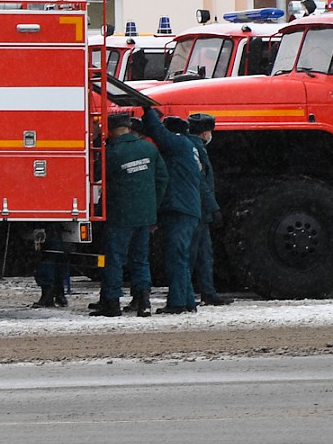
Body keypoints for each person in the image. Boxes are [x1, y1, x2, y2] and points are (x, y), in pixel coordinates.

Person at [91, 111, 166, 317]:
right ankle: (143, 302)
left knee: (114, 259)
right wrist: (153, 207)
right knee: (140, 259)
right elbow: (162, 179)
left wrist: (98, 140)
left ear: (111, 129)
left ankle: (112, 303)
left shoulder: (111, 152)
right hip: (145, 215)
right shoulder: (149, 148)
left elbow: (95, 173)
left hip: (119, 215)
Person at [142, 108, 205, 316]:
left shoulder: (177, 144)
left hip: (180, 209)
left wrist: (148, 111)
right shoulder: (189, 146)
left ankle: (177, 302)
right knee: (181, 257)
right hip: (186, 208)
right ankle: (187, 301)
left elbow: (158, 134)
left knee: (176, 256)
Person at [187, 113, 231, 306]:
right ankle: (188, 293)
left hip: (200, 211)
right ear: (205, 132)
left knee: (204, 253)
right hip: (199, 210)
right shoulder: (196, 149)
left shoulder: (194, 147)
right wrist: (214, 208)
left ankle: (207, 291)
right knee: (193, 253)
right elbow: (202, 183)